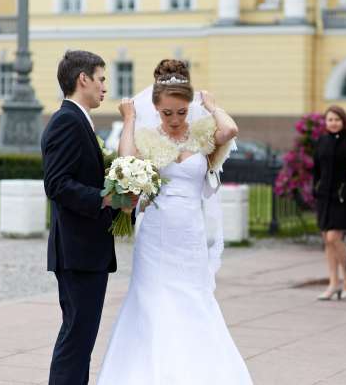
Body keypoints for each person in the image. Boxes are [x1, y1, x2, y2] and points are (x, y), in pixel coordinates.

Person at [96, 60, 253, 384]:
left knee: (193, 297)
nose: (175, 120)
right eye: (167, 113)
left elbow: (230, 131)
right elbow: (126, 161)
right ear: (156, 109)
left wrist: (211, 106)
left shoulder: (201, 136)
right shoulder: (147, 136)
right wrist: (129, 120)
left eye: (181, 112)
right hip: (155, 231)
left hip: (190, 233)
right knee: (152, 298)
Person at [42, 50, 136, 385]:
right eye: (101, 78)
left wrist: (120, 195)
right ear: (83, 79)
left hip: (85, 251)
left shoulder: (79, 119)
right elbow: (57, 184)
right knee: (76, 341)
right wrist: (104, 197)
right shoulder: (67, 120)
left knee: (80, 341)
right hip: (78, 251)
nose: (104, 87)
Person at [313, 105, 346, 301]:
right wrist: (315, 189)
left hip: (343, 198)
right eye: (329, 120)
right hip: (324, 196)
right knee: (327, 239)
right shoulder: (322, 141)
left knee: (335, 237)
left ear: (343, 121)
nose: (333, 123)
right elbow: (316, 169)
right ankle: (334, 283)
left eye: (336, 119)